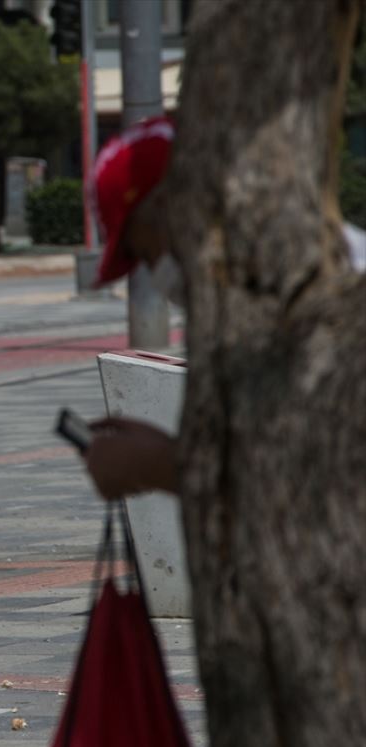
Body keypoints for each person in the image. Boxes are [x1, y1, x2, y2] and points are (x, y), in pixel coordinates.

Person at [81, 116, 364, 499]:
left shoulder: (296, 289)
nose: (155, 274)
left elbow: (308, 479)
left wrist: (160, 465)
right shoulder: (285, 269)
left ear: (172, 208)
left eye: (145, 253)